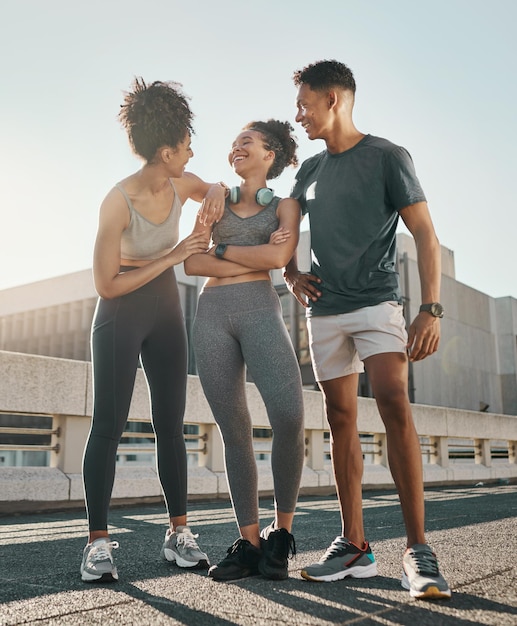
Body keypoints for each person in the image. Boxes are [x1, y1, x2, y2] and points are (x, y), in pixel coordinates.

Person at [284, 60, 451, 600]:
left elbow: (424, 232)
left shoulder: (387, 156)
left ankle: (418, 550)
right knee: (339, 418)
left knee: (394, 403)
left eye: (305, 103)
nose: (299, 114)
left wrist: (431, 308)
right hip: (325, 311)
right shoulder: (307, 170)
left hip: (378, 305)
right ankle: (354, 545)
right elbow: (283, 233)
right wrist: (290, 273)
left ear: (333, 99)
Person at [81, 77, 226, 583]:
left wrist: (216, 198)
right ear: (165, 151)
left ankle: (178, 534)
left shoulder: (178, 183)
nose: (192, 153)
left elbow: (214, 190)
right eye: (186, 146)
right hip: (121, 312)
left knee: (171, 423)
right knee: (108, 425)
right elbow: (107, 283)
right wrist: (175, 253)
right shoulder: (116, 202)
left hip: (165, 312)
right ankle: (97, 544)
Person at [184, 120, 305, 582]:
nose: (236, 148)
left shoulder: (287, 206)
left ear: (270, 154)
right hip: (212, 312)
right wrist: (242, 250)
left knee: (289, 417)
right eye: (234, 143)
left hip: (259, 307)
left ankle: (281, 533)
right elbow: (192, 260)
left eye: (247, 143)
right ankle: (249, 542)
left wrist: (225, 246)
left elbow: (277, 260)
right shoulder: (216, 200)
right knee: (234, 430)